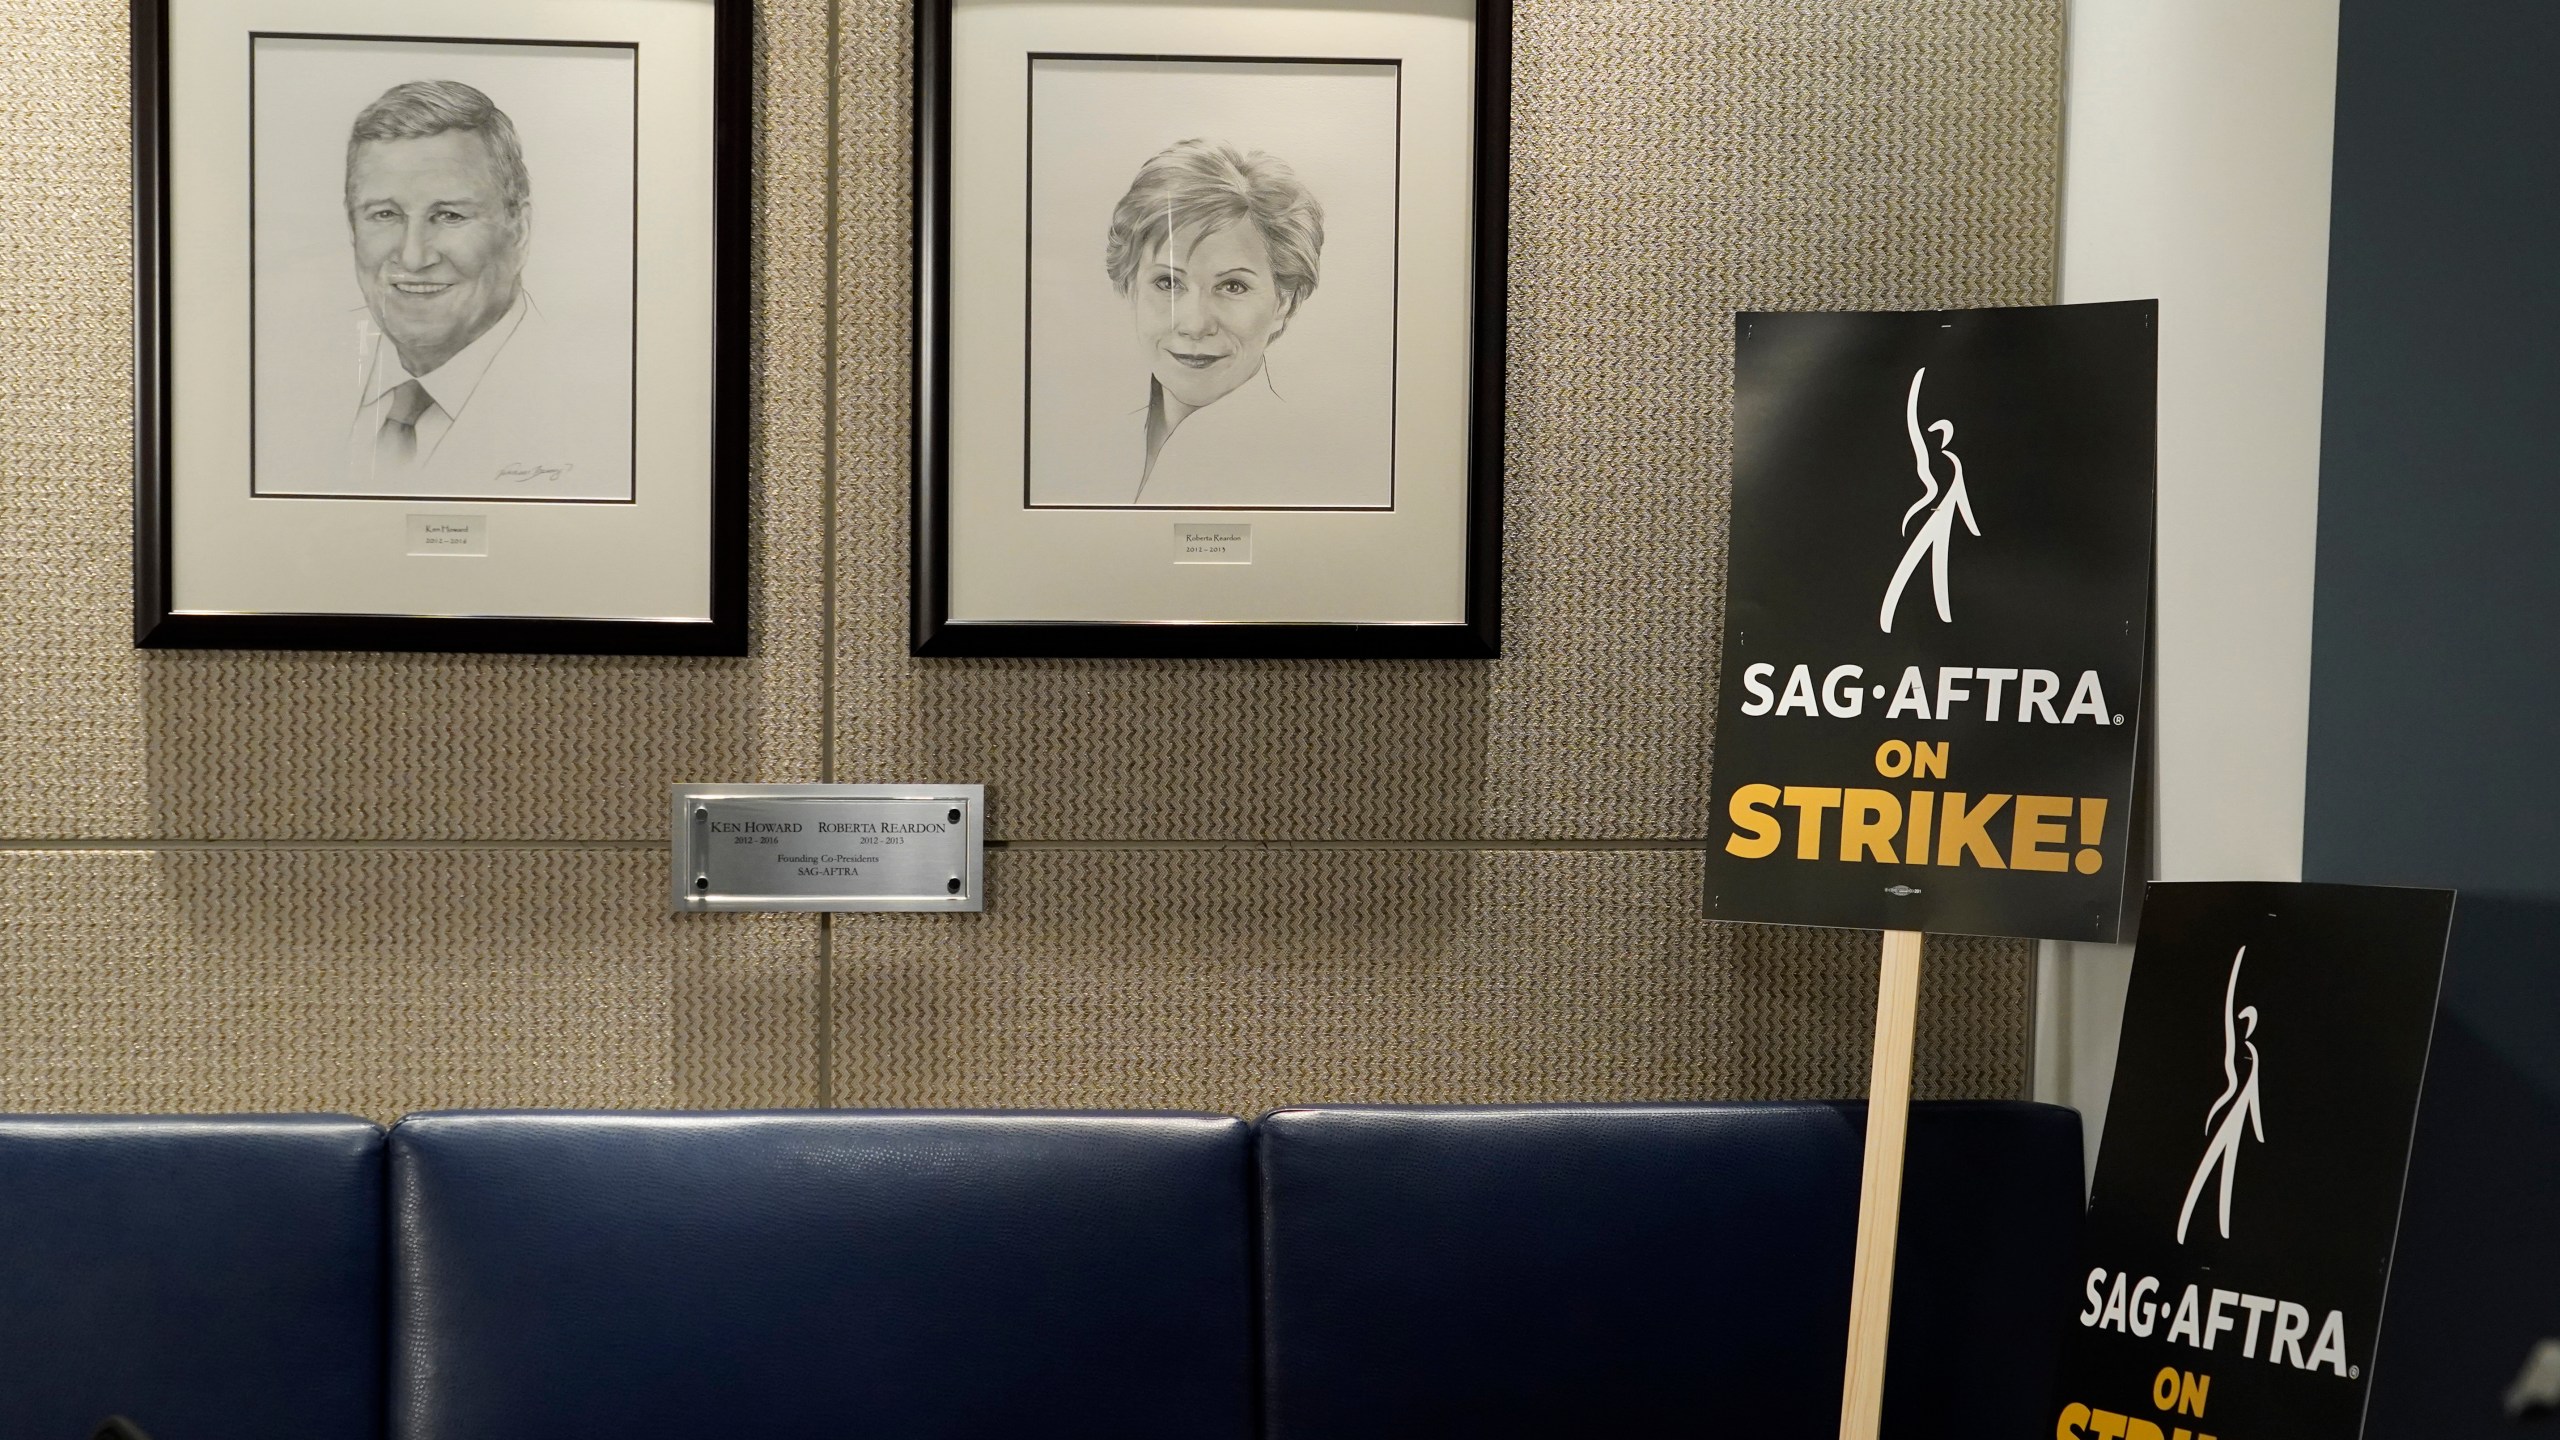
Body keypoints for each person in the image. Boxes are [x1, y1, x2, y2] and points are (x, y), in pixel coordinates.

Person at [335, 80, 626, 497]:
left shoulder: (604, 402)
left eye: (450, 215)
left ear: (519, 231)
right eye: (384, 214)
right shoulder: (291, 376)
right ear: (352, 228)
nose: (414, 257)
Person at [1101, 138, 1325, 505]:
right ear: (1129, 287)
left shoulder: (1308, 463)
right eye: (1168, 282)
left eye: (1232, 286)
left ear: (1284, 302)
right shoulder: (1092, 446)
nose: (1194, 323)